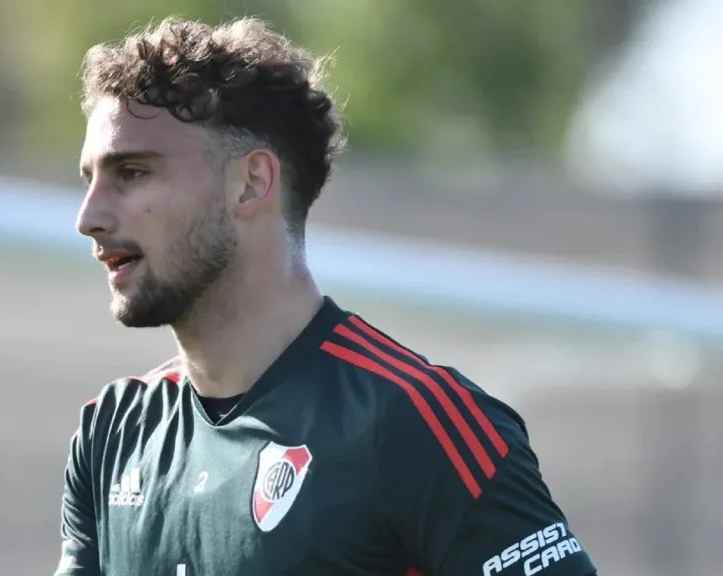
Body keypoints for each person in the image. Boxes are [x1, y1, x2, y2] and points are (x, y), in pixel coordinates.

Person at [55, 16, 597, 576]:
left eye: (133, 173)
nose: (88, 217)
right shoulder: (113, 434)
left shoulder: (413, 423)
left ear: (252, 183)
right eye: (88, 179)